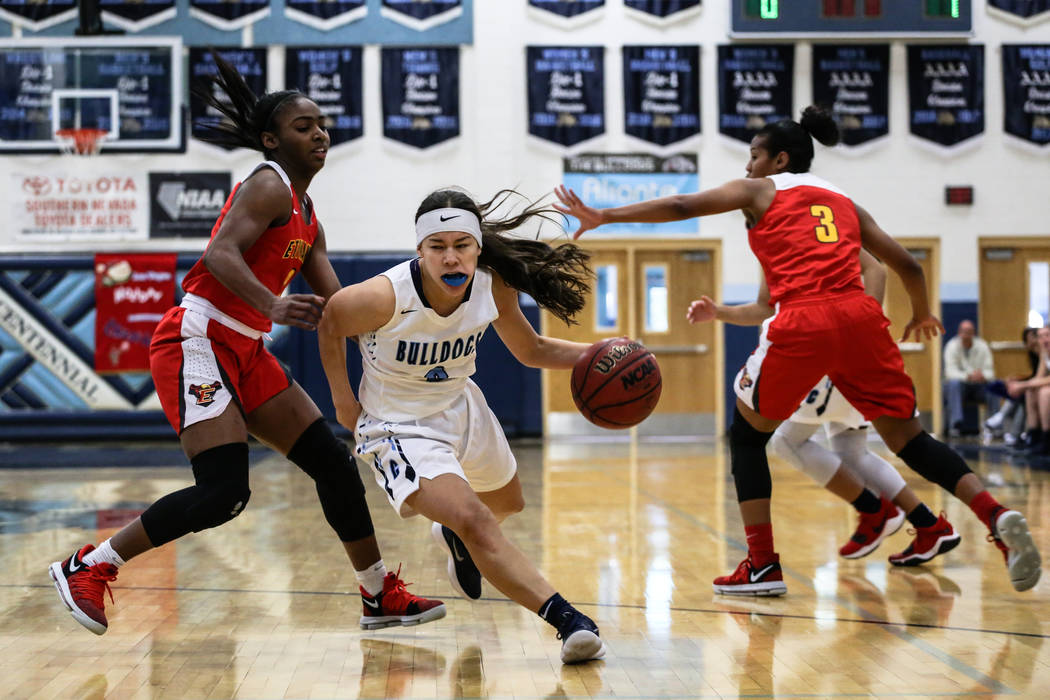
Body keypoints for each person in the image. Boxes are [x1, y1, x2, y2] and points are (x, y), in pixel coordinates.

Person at [554, 105, 1042, 594]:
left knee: (748, 438)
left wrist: (605, 215)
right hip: (861, 318)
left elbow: (683, 207)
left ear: (779, 160)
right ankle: (995, 516)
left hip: (806, 317)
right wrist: (921, 314)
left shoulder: (760, 190)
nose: (747, 167)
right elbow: (908, 266)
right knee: (911, 440)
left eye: (754, 156)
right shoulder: (844, 201)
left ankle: (763, 563)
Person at [48, 54, 444, 635]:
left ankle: (377, 594)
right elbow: (218, 255)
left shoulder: (308, 216)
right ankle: (89, 565)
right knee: (224, 493)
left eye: (322, 124)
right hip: (199, 339)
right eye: (303, 126)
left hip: (248, 349)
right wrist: (274, 304)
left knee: (334, 464)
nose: (320, 134)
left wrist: (415, 321)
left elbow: (341, 306)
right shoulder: (267, 184)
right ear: (271, 140)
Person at [316, 187, 606, 663]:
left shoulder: (494, 286)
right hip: (398, 425)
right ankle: (568, 620)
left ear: (477, 247)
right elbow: (330, 322)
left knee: (507, 502)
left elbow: (531, 350)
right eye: (438, 247)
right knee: (475, 520)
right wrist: (343, 402)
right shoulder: (380, 297)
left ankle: (451, 537)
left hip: (461, 405)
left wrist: (599, 353)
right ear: (420, 250)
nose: (451, 258)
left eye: (462, 245)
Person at [690, 251, 960, 567]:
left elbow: (878, 268)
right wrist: (718, 312)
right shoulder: (791, 239)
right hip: (843, 351)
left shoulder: (802, 233)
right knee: (852, 451)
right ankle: (928, 524)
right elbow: (766, 308)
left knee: (787, 442)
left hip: (818, 354)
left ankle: (874, 510)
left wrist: (866, 324)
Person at [984, 326, 1039, 443]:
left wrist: (1023, 384)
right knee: (995, 386)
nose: (1033, 342)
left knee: (1024, 393)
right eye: (1029, 340)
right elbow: (1035, 375)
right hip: (1035, 384)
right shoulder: (1034, 355)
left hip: (1038, 387)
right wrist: (1018, 378)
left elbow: (1041, 378)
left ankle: (1007, 424)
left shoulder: (1043, 353)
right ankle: (1011, 429)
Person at [943, 320, 997, 436]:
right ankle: (955, 425)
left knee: (994, 386)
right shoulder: (951, 346)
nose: (966, 334)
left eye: (969, 332)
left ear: (974, 333)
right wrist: (969, 376)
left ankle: (995, 426)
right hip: (961, 387)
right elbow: (950, 372)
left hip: (979, 387)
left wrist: (982, 376)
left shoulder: (982, 346)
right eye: (964, 331)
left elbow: (990, 372)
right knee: (953, 384)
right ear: (959, 332)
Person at [1008, 325, 1050, 457]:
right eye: (1041, 336)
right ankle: (1033, 435)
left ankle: (1046, 437)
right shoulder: (1044, 352)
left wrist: (1022, 385)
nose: (1044, 339)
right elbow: (1039, 377)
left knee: (1044, 393)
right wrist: (1023, 386)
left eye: (1047, 335)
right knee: (1031, 391)